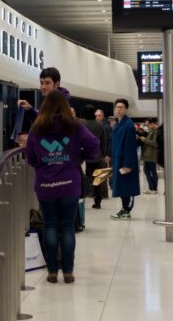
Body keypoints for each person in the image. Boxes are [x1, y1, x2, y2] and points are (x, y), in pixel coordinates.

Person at [25, 90, 99, 283]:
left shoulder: (37, 129)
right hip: (69, 185)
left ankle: (51, 272)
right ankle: (68, 271)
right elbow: (93, 145)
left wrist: (45, 164)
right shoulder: (74, 126)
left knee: (50, 226)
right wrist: (79, 158)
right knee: (67, 228)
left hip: (45, 185)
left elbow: (31, 158)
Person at [17, 67, 71, 145]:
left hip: (55, 154)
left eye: (47, 83)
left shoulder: (61, 104)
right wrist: (30, 109)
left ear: (56, 84)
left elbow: (50, 131)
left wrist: (30, 139)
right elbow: (43, 121)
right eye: (41, 83)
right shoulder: (49, 101)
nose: (43, 87)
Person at [110, 98, 139, 220]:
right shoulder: (118, 123)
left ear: (126, 109)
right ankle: (124, 209)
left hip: (125, 160)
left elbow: (130, 146)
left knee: (127, 186)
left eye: (121, 107)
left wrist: (127, 164)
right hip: (118, 159)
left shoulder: (128, 125)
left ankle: (127, 210)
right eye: (117, 107)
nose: (119, 109)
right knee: (121, 186)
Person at [81, 105, 107, 209]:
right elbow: (103, 141)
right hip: (97, 155)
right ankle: (98, 201)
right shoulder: (100, 124)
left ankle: (84, 196)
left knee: (85, 177)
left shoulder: (81, 123)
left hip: (83, 156)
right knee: (97, 179)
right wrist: (103, 154)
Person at [138, 118, 160, 194]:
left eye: (149, 125)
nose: (148, 126)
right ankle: (151, 188)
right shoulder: (151, 131)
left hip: (152, 155)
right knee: (147, 171)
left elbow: (155, 143)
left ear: (153, 124)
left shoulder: (157, 132)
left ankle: (154, 188)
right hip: (147, 154)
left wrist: (144, 140)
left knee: (152, 171)